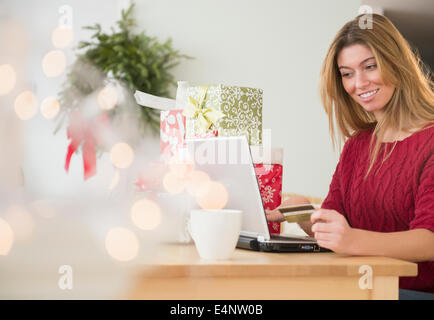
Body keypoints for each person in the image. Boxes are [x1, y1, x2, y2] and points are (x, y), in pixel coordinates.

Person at [266, 13, 434, 298]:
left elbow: (428, 242)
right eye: (347, 73)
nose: (359, 83)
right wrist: (303, 213)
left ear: (397, 63)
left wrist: (352, 240)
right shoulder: (358, 145)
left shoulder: (429, 141)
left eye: (370, 67)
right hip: (356, 287)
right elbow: (337, 224)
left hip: (410, 292)